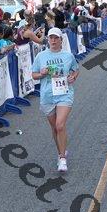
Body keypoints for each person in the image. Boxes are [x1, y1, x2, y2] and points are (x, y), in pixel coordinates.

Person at [31, 28, 79, 173]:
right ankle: (60, 152)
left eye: (56, 38)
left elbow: (75, 69)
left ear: (61, 40)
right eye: (51, 38)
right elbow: (33, 75)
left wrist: (73, 77)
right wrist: (42, 73)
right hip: (47, 95)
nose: (53, 40)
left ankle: (63, 159)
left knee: (60, 125)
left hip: (64, 93)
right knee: (54, 128)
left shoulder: (68, 56)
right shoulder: (41, 56)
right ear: (48, 39)